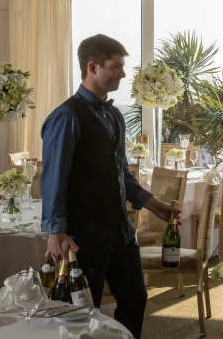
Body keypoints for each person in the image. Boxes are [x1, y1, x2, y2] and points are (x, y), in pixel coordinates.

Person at [41, 34, 180, 339]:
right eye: (116, 66)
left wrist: (151, 203)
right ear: (93, 67)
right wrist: (55, 231)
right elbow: (53, 179)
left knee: (135, 300)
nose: (123, 74)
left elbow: (120, 172)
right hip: (83, 235)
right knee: (80, 314)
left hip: (120, 230)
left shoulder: (114, 114)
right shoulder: (66, 117)